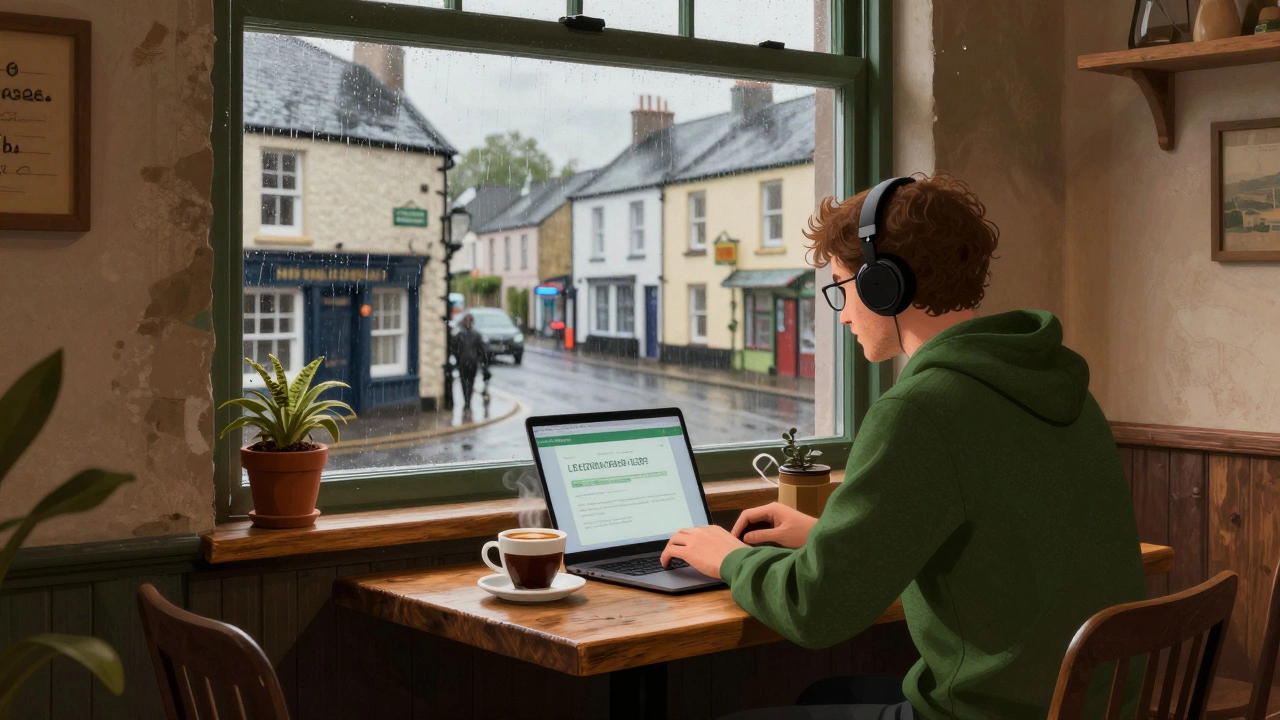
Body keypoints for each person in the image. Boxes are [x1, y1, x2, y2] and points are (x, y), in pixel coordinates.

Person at [660, 172, 1146, 720]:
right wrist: (827, 538)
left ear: (883, 285)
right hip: (1093, 707)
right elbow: (994, 537)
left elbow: (815, 612)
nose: (841, 313)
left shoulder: (920, 410)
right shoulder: (1060, 387)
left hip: (985, 714)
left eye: (842, 287)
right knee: (825, 697)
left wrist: (730, 559)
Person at [451, 313, 489, 415]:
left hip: (472, 363)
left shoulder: (475, 335)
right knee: (464, 382)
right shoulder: (460, 335)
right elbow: (454, 348)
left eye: (469, 320)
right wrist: (458, 359)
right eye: (466, 320)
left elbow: (481, 349)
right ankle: (466, 401)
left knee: (470, 382)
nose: (468, 322)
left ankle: (468, 401)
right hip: (463, 363)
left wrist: (480, 359)